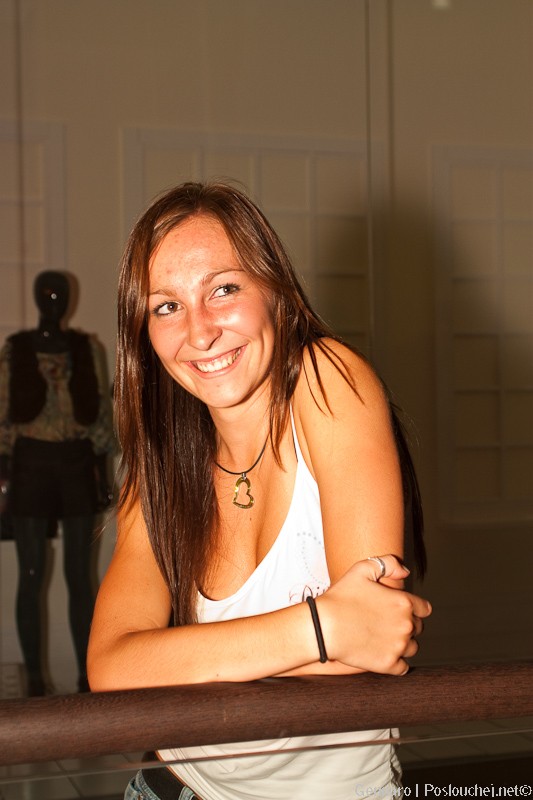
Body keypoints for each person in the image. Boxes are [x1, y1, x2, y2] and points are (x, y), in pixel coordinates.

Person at [87, 181, 431, 800]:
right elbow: (112, 667)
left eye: (223, 289)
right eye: (166, 306)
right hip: (171, 786)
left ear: (274, 288)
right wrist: (321, 627)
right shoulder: (158, 465)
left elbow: (375, 638)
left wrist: (177, 659)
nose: (199, 332)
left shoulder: (327, 380)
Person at [0, 271, 115, 695]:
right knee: (31, 572)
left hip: (76, 462)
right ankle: (34, 679)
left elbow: (99, 416)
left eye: (60, 295)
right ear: (35, 299)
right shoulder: (16, 349)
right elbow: (4, 414)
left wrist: (103, 474)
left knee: (79, 575)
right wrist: (4, 475)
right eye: (47, 295)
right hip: (30, 462)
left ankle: (88, 677)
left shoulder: (87, 349)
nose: (54, 302)